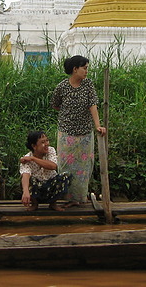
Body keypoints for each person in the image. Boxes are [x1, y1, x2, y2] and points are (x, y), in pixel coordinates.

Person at [51, 55, 107, 207]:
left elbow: (93, 105)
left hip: (84, 134)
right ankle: (67, 198)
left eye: (87, 68)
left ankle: (80, 198)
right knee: (65, 166)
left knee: (83, 167)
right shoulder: (62, 87)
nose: (86, 71)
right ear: (75, 69)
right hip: (66, 134)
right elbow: (55, 105)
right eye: (84, 68)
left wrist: (97, 125)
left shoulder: (88, 85)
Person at [20, 131, 72, 211]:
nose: (47, 144)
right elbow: (25, 175)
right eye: (43, 142)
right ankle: (34, 203)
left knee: (66, 176)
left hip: (50, 185)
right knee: (29, 181)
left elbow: (53, 166)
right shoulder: (26, 159)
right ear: (34, 146)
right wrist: (25, 191)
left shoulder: (50, 150)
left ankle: (53, 203)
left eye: (47, 140)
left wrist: (33, 159)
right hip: (37, 188)